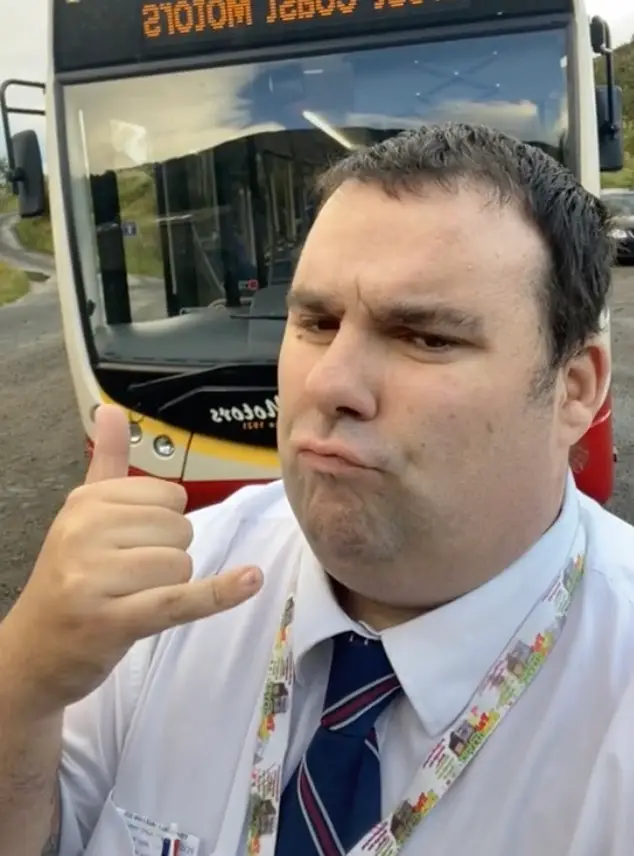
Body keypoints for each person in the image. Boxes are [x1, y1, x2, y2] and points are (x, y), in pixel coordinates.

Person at [1, 122, 633, 856]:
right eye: (314, 321)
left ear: (574, 389)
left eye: (425, 336)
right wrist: (24, 686)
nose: (330, 381)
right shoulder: (172, 587)